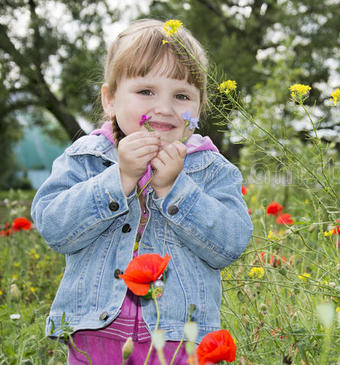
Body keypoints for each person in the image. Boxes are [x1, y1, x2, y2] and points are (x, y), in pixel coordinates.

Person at [31, 19, 253, 364]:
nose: (164, 107)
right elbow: (54, 228)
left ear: (197, 110)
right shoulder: (86, 157)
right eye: (146, 91)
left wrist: (176, 190)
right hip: (96, 333)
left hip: (179, 337)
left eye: (181, 96)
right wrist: (118, 179)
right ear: (110, 100)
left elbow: (230, 244)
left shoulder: (212, 168)